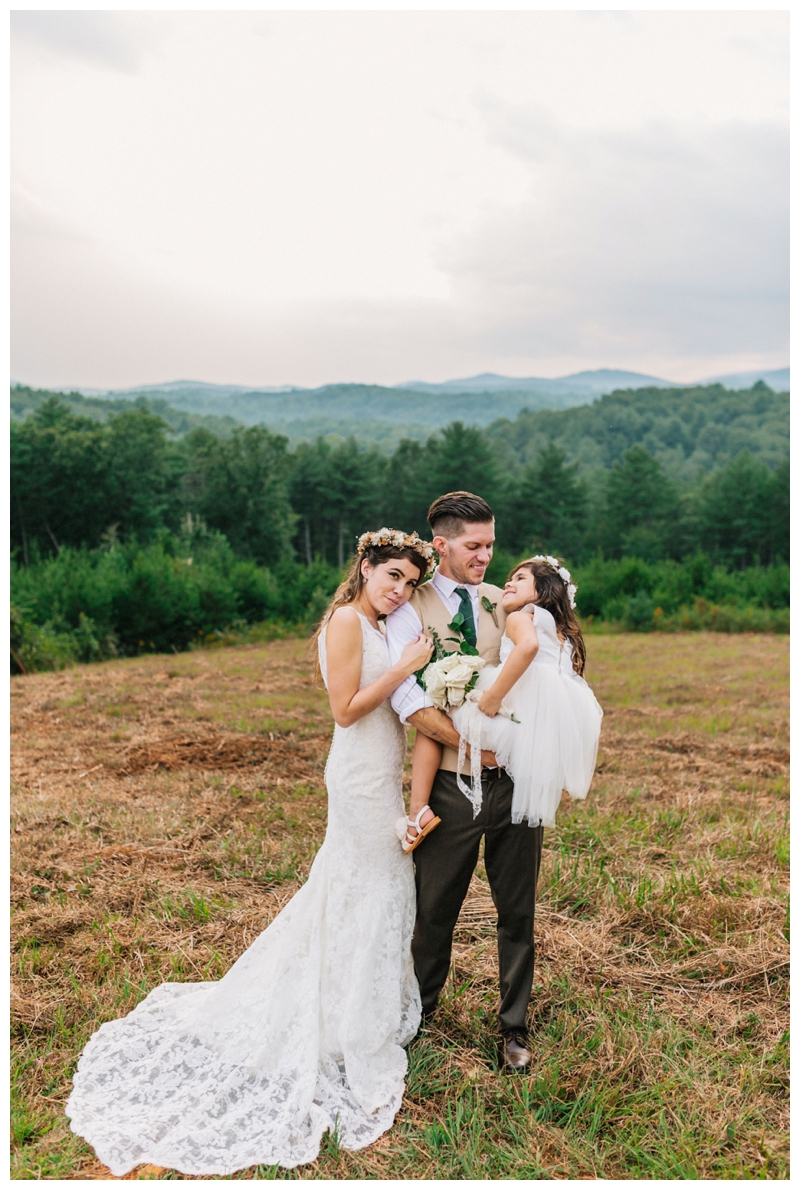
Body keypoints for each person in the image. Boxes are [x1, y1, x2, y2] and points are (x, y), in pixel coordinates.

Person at [65, 529, 435, 1177]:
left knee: (367, 885)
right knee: (372, 882)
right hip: (356, 772)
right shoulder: (348, 621)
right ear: (366, 567)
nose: (398, 589)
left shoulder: (377, 624)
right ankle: (340, 1011)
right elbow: (346, 711)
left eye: (408, 582)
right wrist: (406, 668)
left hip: (380, 770)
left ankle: (352, 999)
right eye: (392, 575)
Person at [385, 492, 541, 1072]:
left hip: (514, 783)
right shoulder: (410, 604)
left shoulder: (507, 602)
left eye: (491, 545)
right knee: (433, 911)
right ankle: (417, 1014)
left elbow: (542, 664)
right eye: (474, 547)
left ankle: (514, 1030)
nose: (485, 556)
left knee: (517, 909)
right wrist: (471, 745)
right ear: (442, 545)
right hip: (451, 782)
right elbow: (408, 699)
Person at [407, 555, 603, 834]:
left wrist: (494, 696)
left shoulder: (521, 617)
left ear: (543, 591)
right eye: (510, 578)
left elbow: (528, 648)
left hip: (515, 705)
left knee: (437, 711)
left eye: (521, 579)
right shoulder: (561, 630)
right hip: (544, 722)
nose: (508, 583)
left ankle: (418, 807)